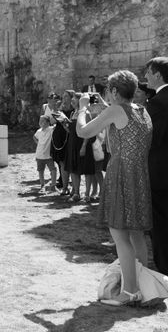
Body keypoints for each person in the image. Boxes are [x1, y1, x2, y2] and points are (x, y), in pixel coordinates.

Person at [76, 70, 153, 306]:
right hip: (140, 174)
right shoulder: (142, 110)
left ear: (115, 92)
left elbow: (83, 131)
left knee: (120, 235)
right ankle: (141, 287)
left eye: (108, 89)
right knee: (136, 233)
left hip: (121, 173)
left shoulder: (116, 109)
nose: (106, 93)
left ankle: (129, 292)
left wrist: (81, 108)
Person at [145, 57, 168, 275]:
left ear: (158, 75)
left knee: (160, 223)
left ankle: (164, 268)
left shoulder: (156, 104)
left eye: (148, 73)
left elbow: (151, 139)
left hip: (160, 173)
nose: (145, 77)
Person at [33, 115, 57, 193]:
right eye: (40, 121)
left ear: (48, 122)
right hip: (39, 155)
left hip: (49, 155)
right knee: (40, 171)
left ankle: (53, 185)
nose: (41, 123)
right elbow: (34, 137)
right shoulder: (38, 131)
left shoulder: (51, 130)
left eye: (43, 121)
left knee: (53, 169)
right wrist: (38, 143)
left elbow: (56, 124)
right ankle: (42, 185)